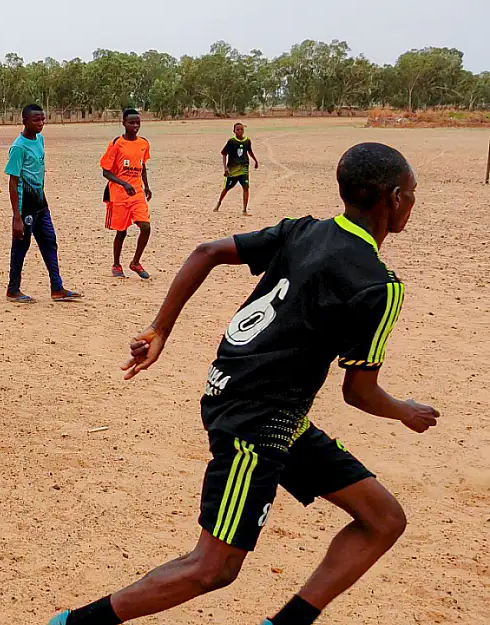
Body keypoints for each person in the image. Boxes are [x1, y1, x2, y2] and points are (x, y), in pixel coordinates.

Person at [48, 142, 437, 625]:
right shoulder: (378, 285)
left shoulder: (305, 230)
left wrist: (160, 328)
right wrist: (405, 410)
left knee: (383, 519)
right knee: (213, 568)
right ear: (394, 198)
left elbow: (206, 251)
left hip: (248, 396)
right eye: (413, 195)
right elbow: (357, 391)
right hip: (258, 418)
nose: (413, 204)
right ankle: (73, 624)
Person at [5, 104, 81, 303]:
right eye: (36, 120)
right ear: (24, 121)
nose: (40, 123)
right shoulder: (18, 148)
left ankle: (57, 288)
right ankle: (13, 290)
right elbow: (12, 183)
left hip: (41, 202)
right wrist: (16, 216)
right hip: (25, 205)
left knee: (49, 242)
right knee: (21, 246)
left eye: (42, 119)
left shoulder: (40, 140)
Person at [101, 109, 152, 279]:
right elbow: (106, 171)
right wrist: (123, 183)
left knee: (145, 226)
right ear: (123, 123)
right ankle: (116, 264)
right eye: (131, 122)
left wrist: (146, 186)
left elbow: (142, 166)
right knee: (121, 232)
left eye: (138, 122)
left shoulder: (144, 143)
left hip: (137, 193)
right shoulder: (117, 143)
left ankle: (135, 262)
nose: (135, 126)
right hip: (119, 194)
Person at [215, 122, 260, 215]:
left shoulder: (247, 141)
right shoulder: (231, 141)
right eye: (238, 130)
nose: (240, 131)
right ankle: (218, 203)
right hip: (233, 169)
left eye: (241, 129)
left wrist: (255, 160)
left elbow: (249, 151)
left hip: (244, 168)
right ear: (234, 131)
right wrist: (225, 168)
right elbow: (224, 154)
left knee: (246, 188)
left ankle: (244, 210)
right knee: (227, 188)